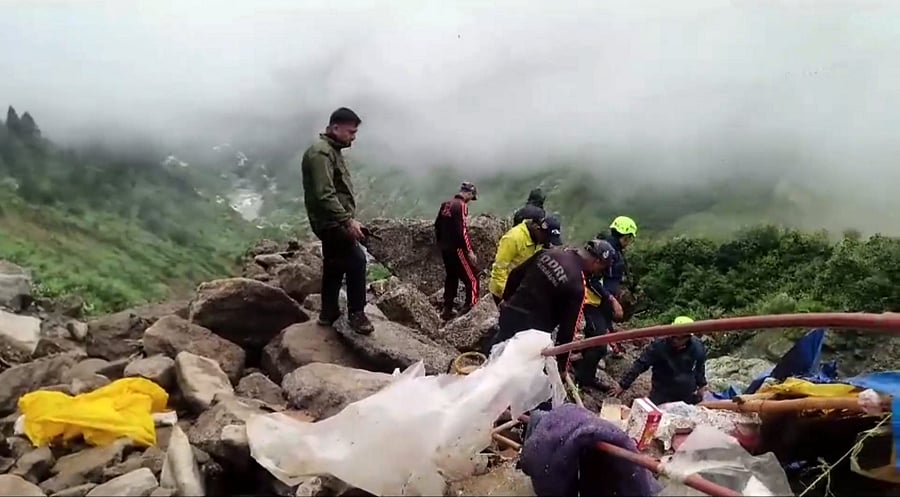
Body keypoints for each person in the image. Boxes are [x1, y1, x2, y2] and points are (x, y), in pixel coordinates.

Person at [488, 239, 616, 374]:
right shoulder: (577, 286)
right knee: (510, 373)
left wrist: (507, 300)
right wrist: (561, 367)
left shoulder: (549, 253)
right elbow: (567, 332)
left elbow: (515, 274)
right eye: (601, 269)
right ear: (596, 262)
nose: (598, 272)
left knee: (493, 356)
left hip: (510, 315)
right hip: (529, 336)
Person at [301, 107, 374, 335]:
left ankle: (328, 313)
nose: (353, 136)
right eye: (351, 131)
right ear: (335, 128)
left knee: (333, 265)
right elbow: (325, 194)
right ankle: (357, 315)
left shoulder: (331, 150)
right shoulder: (321, 154)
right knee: (357, 261)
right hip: (331, 222)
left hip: (333, 220)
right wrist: (347, 221)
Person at [611, 316, 709, 405]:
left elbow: (700, 369)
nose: (675, 340)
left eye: (679, 338)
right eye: (673, 336)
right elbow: (641, 364)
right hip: (662, 392)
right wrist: (623, 385)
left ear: (688, 337)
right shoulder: (659, 346)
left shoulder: (698, 347)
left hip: (685, 393)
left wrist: (701, 386)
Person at [488, 215, 563, 306]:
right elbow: (499, 270)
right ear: (537, 229)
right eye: (546, 238)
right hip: (505, 287)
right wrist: (506, 297)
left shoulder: (540, 241)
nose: (547, 242)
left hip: (522, 287)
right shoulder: (513, 238)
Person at [435, 181, 480, 320]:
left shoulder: (446, 204)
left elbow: (437, 225)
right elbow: (463, 231)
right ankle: (471, 308)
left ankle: (447, 309)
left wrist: (441, 242)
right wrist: (469, 251)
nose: (470, 201)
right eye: (472, 198)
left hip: (445, 248)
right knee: (472, 278)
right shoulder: (461, 206)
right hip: (458, 249)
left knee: (451, 277)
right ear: (469, 194)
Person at [593, 215, 637, 354]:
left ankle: (613, 344)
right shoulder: (609, 252)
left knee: (606, 321)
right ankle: (610, 346)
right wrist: (612, 300)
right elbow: (596, 279)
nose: (629, 242)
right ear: (625, 237)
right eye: (629, 238)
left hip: (604, 295)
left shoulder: (610, 248)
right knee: (601, 324)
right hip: (600, 297)